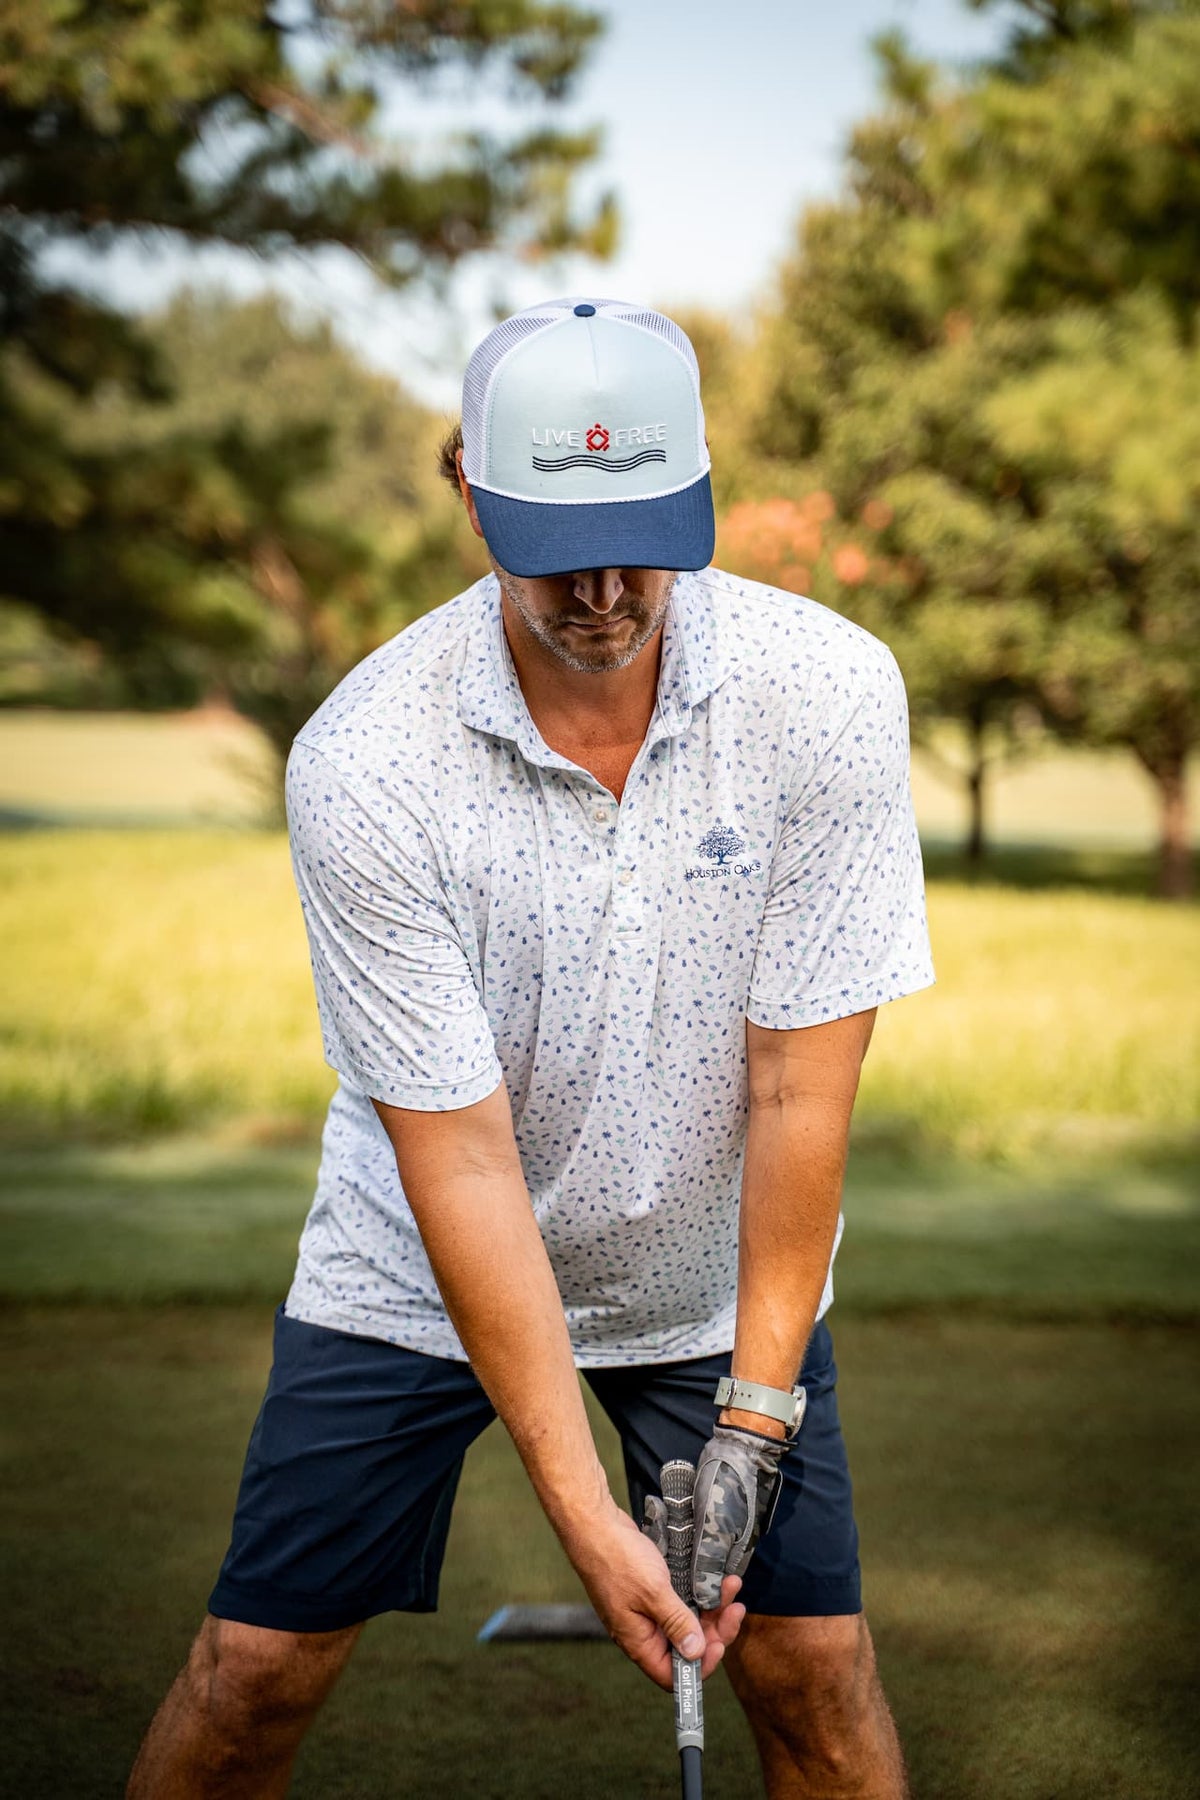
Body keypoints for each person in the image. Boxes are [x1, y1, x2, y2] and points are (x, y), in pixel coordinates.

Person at [128, 297, 934, 1799]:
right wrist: (581, 1507)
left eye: (645, 534)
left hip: (710, 1273)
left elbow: (798, 1086)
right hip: (413, 1271)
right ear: (467, 492)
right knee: (252, 1677)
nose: (609, 589)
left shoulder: (824, 692)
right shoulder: (369, 757)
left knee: (818, 1675)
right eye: (557, 544)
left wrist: (757, 1417)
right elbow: (466, 1160)